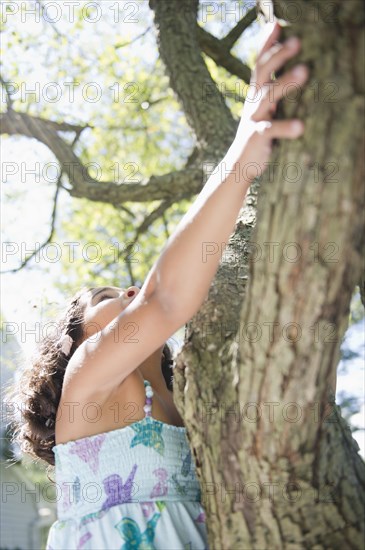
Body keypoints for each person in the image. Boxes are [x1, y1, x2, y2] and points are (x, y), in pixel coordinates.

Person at [10, 20, 309, 550]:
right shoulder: (85, 386)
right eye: (105, 297)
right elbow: (164, 298)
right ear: (75, 343)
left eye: (121, 288)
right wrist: (243, 153)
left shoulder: (185, 403)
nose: (127, 292)